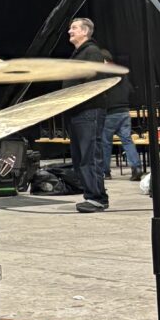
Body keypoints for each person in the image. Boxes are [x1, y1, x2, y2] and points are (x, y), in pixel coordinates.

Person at [63, 17, 109, 213]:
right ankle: (92, 195)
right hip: (77, 112)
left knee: (89, 156)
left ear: (85, 31)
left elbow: (94, 84)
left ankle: (96, 198)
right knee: (81, 157)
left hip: (88, 111)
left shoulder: (91, 52)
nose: (70, 31)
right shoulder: (79, 54)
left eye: (74, 28)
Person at [99, 47, 141, 181]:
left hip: (110, 113)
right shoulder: (121, 72)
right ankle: (136, 168)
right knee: (127, 141)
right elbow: (130, 90)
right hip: (124, 112)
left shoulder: (103, 74)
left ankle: (105, 172)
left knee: (106, 143)